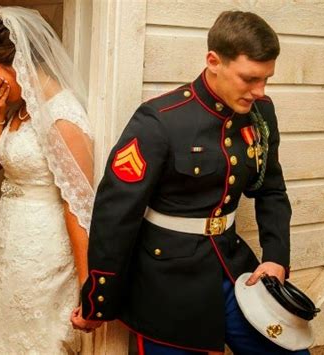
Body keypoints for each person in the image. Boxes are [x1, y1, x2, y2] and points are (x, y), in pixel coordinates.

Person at [71, 11, 310, 355]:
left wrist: (275, 258)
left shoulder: (261, 114)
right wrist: (99, 301)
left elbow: (270, 189)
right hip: (166, 284)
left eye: (266, 79)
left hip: (232, 269)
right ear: (213, 61)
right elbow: (115, 216)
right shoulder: (160, 120)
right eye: (249, 79)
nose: (259, 91)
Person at [0, 6, 94, 354]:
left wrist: (89, 285)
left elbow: (78, 205)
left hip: (45, 253)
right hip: (9, 244)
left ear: (16, 63)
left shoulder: (62, 117)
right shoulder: (20, 109)